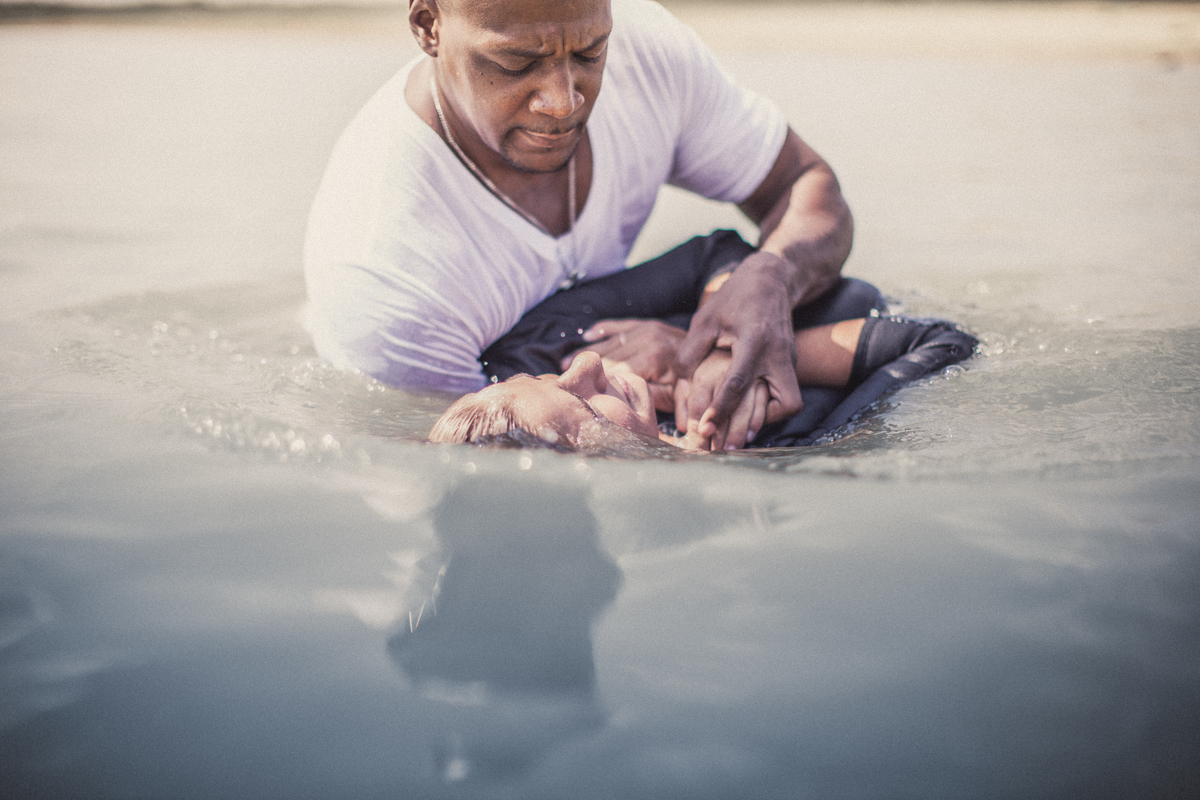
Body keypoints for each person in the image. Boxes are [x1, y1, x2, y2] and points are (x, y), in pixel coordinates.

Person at [304, 0, 853, 451]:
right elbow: (482, 463)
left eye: (591, 53)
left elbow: (804, 183)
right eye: (517, 63)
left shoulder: (649, 55)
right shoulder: (384, 267)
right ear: (429, 26)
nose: (564, 102)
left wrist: (774, 276)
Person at [429, 231, 977, 450]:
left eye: (544, 382)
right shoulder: (779, 451)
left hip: (798, 269)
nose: (586, 365)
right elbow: (946, 343)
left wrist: (710, 347)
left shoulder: (531, 348)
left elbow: (717, 250)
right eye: (581, 400)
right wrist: (749, 374)